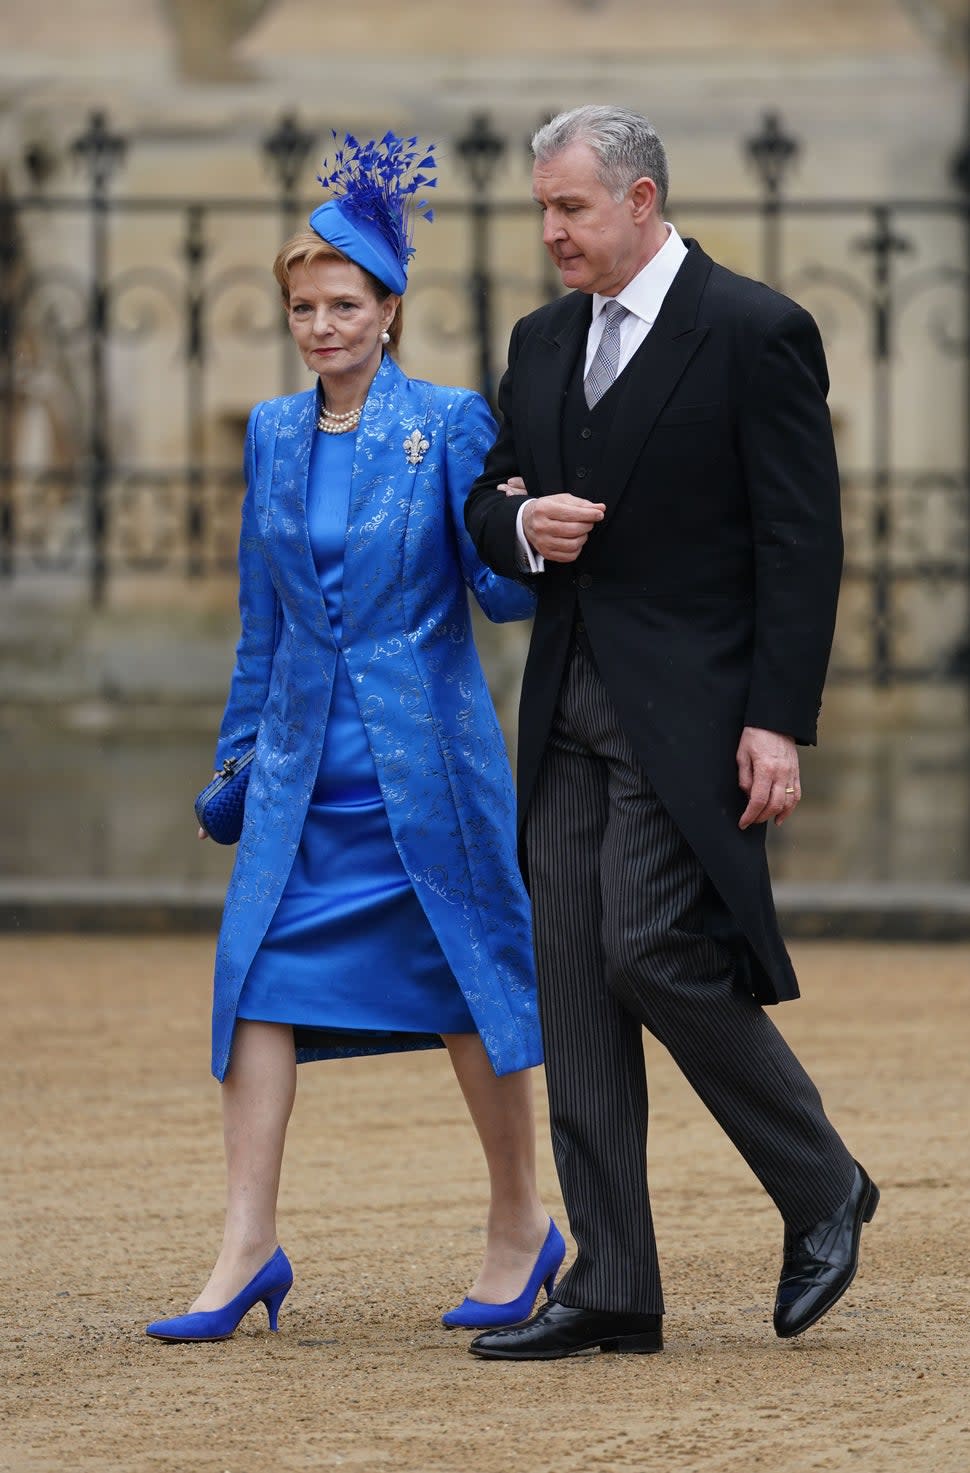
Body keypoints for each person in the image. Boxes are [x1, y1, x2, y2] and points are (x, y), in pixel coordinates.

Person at [462, 104, 878, 1361]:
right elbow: (488, 496)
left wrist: (775, 722)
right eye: (541, 208)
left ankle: (820, 1186)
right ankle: (614, 1286)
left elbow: (801, 547)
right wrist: (522, 531)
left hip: (693, 717)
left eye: (571, 208)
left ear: (641, 200)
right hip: (565, 711)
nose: (551, 231)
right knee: (578, 988)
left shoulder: (752, 331)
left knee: (649, 946)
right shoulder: (539, 344)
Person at [146, 133, 564, 1344]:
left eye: (342, 305)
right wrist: (235, 759)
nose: (321, 326)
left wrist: (530, 529)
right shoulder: (273, 434)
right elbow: (260, 621)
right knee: (256, 988)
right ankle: (246, 1246)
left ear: (389, 310)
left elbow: (502, 593)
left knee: (464, 990)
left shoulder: (448, 423)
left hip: (423, 763)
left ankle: (519, 1223)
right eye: (302, 308)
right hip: (295, 774)